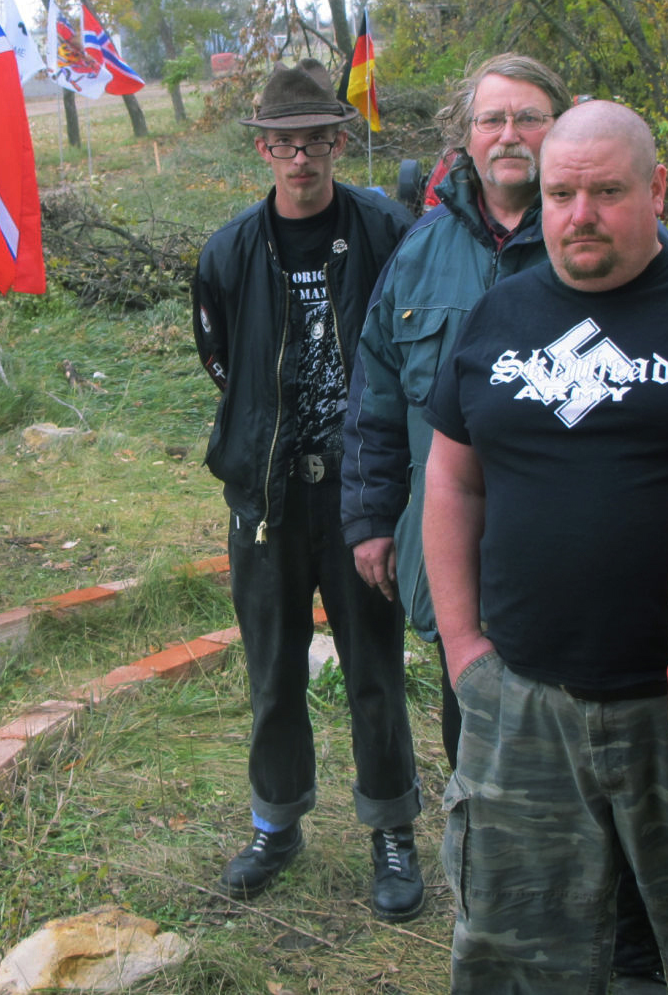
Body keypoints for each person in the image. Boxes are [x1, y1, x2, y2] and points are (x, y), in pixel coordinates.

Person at [423, 100, 668, 993]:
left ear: (656, 189)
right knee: (512, 953)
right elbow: (452, 482)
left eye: (607, 192)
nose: (579, 215)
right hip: (525, 705)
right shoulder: (498, 317)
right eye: (561, 193)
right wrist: (465, 649)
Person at [342, 55, 668, 980]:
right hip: (463, 579)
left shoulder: (609, 237)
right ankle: (514, 907)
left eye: (530, 118)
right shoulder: (420, 250)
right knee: (481, 751)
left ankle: (626, 932)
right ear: (466, 138)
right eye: (493, 121)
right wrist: (371, 517)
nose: (511, 136)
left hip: (609, 606)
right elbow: (374, 391)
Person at [192, 63, 425, 921]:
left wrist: (383, 481)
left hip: (361, 495)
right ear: (264, 149)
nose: (301, 160)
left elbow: (408, 350)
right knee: (273, 671)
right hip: (267, 498)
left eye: (315, 141)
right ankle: (276, 823)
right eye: (284, 144)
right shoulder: (228, 253)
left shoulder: (385, 231)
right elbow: (223, 361)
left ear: (337, 140)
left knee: (375, 669)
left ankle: (392, 830)